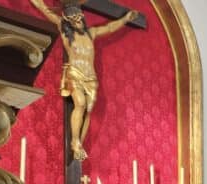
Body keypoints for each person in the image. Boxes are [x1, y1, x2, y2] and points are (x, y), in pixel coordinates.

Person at [30, 0, 139, 161]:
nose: (78, 21)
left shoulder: (91, 33)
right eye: (74, 19)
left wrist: (125, 19)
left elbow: (109, 28)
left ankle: (79, 142)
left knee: (88, 109)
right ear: (68, 20)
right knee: (79, 103)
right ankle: (74, 141)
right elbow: (46, 11)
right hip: (74, 73)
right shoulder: (66, 31)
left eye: (80, 18)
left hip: (91, 78)